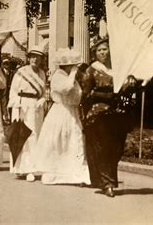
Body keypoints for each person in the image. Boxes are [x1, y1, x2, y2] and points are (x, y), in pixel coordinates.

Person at [80, 37, 137, 197]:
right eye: (99, 50)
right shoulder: (92, 70)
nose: (103, 52)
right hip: (99, 115)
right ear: (95, 53)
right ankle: (107, 183)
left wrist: (130, 87)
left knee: (116, 149)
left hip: (118, 114)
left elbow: (125, 90)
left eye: (105, 49)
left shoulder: (118, 69)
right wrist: (106, 96)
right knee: (103, 148)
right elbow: (86, 95)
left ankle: (110, 179)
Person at [35, 48, 90, 185]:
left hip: (72, 111)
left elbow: (77, 95)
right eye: (73, 66)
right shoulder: (58, 77)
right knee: (58, 141)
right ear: (66, 66)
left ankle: (76, 174)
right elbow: (65, 89)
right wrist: (72, 74)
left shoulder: (72, 79)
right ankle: (55, 173)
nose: (75, 68)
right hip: (60, 111)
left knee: (73, 141)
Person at [7, 44, 47, 181]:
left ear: (42, 59)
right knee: (22, 135)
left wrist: (43, 100)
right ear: (29, 58)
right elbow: (13, 90)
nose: (35, 59)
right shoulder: (21, 72)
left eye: (38, 57)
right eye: (33, 56)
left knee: (34, 135)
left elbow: (43, 93)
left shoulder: (42, 74)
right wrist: (16, 102)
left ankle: (31, 168)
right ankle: (20, 168)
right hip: (22, 105)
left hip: (36, 107)